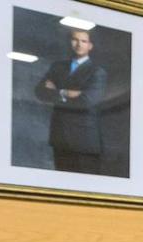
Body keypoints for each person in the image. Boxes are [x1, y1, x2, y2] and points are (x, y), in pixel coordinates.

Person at [34, 28, 107, 174]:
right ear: (70, 43)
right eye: (75, 40)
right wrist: (65, 92)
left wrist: (55, 91)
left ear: (90, 46)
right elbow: (40, 92)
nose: (78, 44)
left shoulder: (97, 72)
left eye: (83, 41)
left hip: (84, 141)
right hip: (60, 137)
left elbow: (87, 100)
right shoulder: (57, 67)